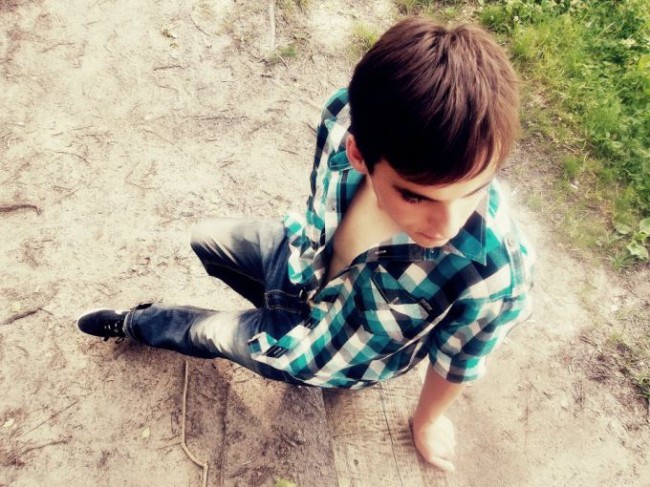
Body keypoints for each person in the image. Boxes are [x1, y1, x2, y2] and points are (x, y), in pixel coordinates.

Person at [78, 18, 534, 472]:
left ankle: (135, 323)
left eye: (474, 190)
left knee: (206, 333)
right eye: (416, 196)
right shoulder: (343, 120)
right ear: (359, 154)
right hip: (296, 257)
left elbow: (459, 359)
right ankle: (267, 305)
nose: (448, 225)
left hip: (319, 351)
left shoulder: (494, 274)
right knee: (204, 239)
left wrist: (428, 420)